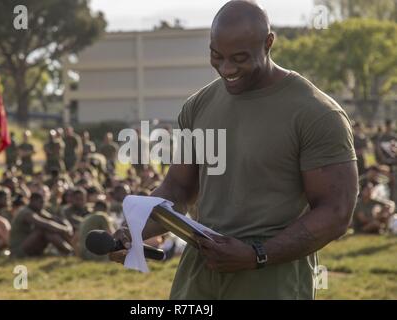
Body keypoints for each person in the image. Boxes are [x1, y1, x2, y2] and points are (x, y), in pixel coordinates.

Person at [109, 1, 358, 300]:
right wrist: (133, 230)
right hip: (200, 271)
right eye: (217, 56)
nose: (227, 69)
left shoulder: (317, 113)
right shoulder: (198, 106)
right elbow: (178, 188)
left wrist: (257, 255)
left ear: (268, 43)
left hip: (270, 278)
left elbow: (336, 211)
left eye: (240, 58)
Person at [10, 192, 73, 258]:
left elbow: (54, 219)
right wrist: (65, 229)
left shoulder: (37, 210)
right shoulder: (25, 212)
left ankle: (69, 251)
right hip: (18, 250)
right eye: (41, 202)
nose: (43, 205)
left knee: (51, 229)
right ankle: (70, 251)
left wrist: (68, 226)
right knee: (43, 230)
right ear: (33, 201)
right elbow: (46, 224)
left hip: (28, 245)